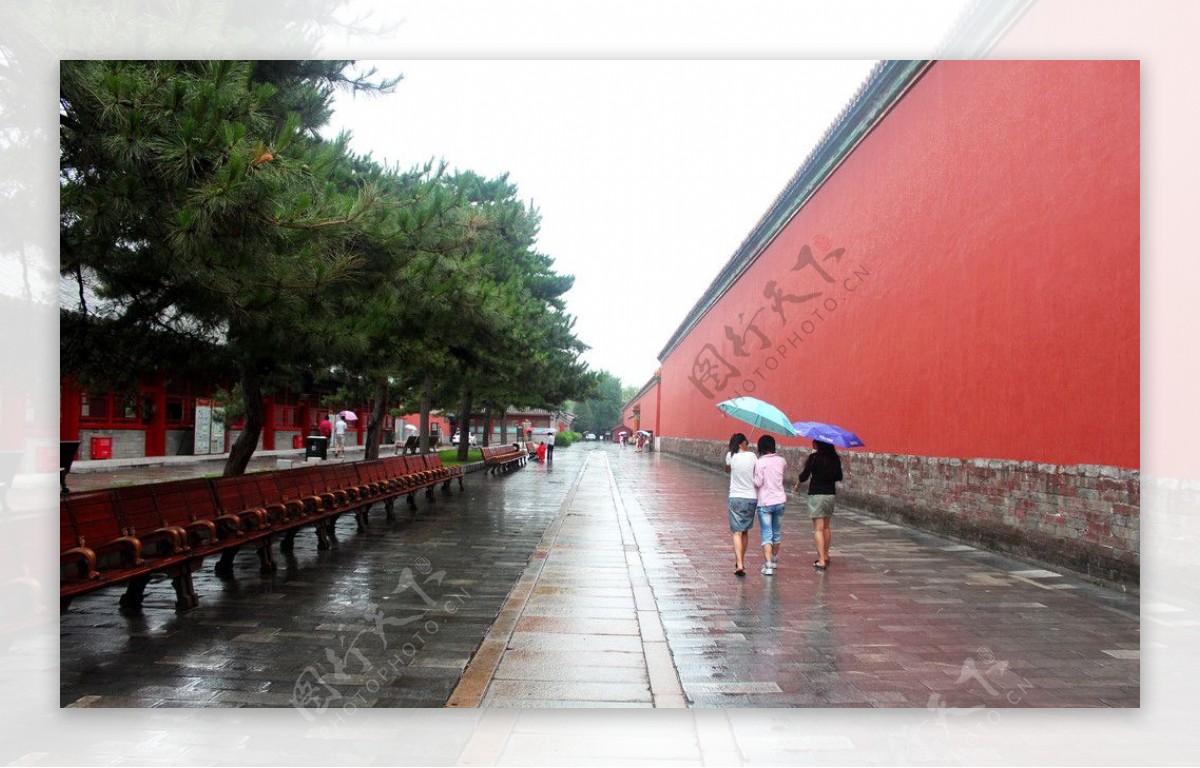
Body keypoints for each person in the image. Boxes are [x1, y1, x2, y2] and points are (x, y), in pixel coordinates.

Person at [796, 439, 843, 571]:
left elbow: (804, 476)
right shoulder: (835, 458)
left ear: (818, 444)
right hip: (830, 495)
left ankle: (821, 560)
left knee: (818, 528)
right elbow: (839, 476)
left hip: (816, 494)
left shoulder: (814, 457)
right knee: (826, 527)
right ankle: (826, 555)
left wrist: (798, 483)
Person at [753, 434, 788, 576]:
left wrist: (752, 476)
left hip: (765, 503)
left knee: (767, 534)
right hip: (780, 501)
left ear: (760, 447)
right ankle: (773, 560)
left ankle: (767, 566)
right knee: (776, 533)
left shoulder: (759, 462)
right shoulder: (782, 461)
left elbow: (758, 483)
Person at [724, 432, 758, 577]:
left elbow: (727, 469)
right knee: (744, 531)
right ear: (741, 443)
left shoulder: (730, 456)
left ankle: (740, 563)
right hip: (751, 497)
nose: (748, 444)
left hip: (736, 497)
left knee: (737, 532)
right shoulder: (752, 456)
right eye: (746, 442)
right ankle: (741, 561)